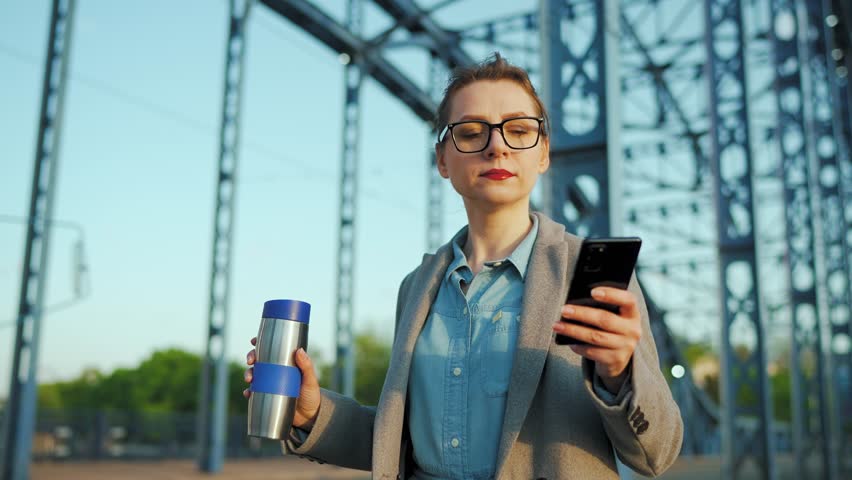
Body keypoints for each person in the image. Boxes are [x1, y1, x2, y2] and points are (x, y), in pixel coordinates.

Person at [243, 53, 683, 479]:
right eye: (471, 133)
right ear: (442, 160)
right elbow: (399, 446)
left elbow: (657, 454)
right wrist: (313, 412)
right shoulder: (417, 288)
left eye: (518, 129)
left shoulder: (591, 276)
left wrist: (621, 374)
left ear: (543, 153)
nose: (497, 147)